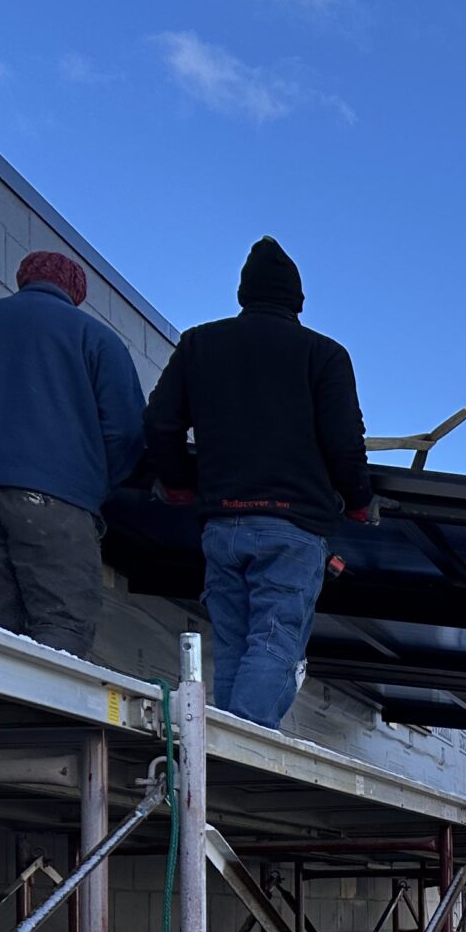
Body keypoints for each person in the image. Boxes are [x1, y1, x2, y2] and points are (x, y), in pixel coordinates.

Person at [143, 237, 371, 728]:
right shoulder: (323, 354)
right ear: (298, 301)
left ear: (243, 294)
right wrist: (358, 500)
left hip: (221, 526)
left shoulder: (199, 344)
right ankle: (238, 746)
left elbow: (159, 424)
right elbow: (345, 443)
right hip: (292, 527)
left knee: (235, 645)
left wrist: (180, 485)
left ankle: (221, 742)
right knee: (275, 640)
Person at [0, 249, 145, 656]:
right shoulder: (96, 338)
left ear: (24, 279)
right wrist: (92, 484)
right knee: (61, 628)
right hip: (57, 501)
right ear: (75, 292)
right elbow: (127, 432)